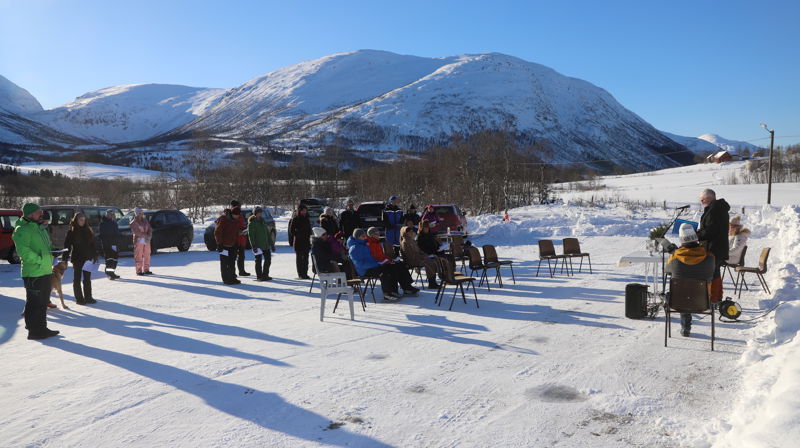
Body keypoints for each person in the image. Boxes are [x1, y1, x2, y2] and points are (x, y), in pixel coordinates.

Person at [12, 203, 60, 340]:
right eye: (39, 212)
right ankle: (34, 331)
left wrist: (54, 249)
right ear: (30, 214)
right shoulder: (22, 230)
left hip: (45, 270)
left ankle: (42, 328)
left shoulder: (40, 227)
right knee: (34, 303)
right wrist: (40, 259)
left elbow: (46, 246)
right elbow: (24, 252)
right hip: (33, 272)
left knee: (43, 302)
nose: (41, 215)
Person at [666, 223, 716, 337]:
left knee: (682, 293)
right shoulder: (710, 258)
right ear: (696, 240)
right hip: (703, 302)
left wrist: (674, 252)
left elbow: (667, 270)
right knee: (690, 291)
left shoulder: (674, 258)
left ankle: (685, 328)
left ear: (681, 242)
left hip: (678, 302)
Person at [347, 228, 403, 301]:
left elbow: (371, 258)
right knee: (383, 272)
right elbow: (360, 264)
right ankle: (387, 294)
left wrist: (379, 262)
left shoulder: (364, 245)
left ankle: (393, 291)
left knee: (390, 268)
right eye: (363, 236)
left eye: (365, 236)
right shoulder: (354, 248)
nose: (365, 238)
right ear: (357, 237)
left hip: (371, 266)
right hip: (364, 271)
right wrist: (376, 264)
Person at [695, 188, 730, 303]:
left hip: (713, 248)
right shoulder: (719, 208)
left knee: (711, 273)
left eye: (702, 200)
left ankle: (713, 299)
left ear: (709, 198)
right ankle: (716, 297)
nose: (701, 202)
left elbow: (711, 231)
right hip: (719, 248)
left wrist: (696, 235)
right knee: (715, 273)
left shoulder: (714, 210)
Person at [366, 226, 419, 296]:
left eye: (379, 233)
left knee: (400, 264)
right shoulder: (370, 244)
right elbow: (376, 257)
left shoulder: (376, 243)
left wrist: (391, 260)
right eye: (376, 234)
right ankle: (393, 290)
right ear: (371, 235)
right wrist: (388, 261)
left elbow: (382, 256)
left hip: (383, 261)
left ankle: (407, 287)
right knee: (393, 268)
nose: (378, 235)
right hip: (378, 264)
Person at [62, 212, 98, 305]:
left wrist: (94, 255)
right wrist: (64, 258)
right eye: (80, 219)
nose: (82, 221)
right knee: (77, 279)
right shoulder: (72, 231)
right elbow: (67, 246)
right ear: (76, 220)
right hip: (77, 259)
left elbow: (93, 244)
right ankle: (79, 298)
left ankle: (88, 297)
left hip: (88, 259)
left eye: (83, 219)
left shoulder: (88, 230)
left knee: (87, 279)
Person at [247, 206, 275, 281]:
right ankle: (259, 276)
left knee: (268, 260)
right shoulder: (252, 223)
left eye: (261, 212)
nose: (260, 214)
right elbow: (251, 236)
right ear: (255, 213)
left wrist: (271, 244)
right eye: (259, 213)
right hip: (258, 246)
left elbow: (267, 234)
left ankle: (265, 275)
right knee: (258, 261)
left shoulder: (263, 221)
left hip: (265, 245)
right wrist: (253, 246)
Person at [214, 208, 240, 285]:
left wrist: (236, 243)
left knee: (232, 262)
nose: (238, 216)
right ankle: (226, 279)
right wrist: (219, 243)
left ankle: (232, 278)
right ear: (232, 214)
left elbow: (235, 233)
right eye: (236, 215)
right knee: (224, 263)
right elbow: (217, 232)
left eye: (238, 215)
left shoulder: (236, 221)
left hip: (232, 245)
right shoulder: (223, 219)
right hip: (224, 246)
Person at [288, 204, 312, 279]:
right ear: (300, 211)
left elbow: (309, 229)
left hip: (306, 241)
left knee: (306, 259)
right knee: (299, 259)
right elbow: (291, 230)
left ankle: (305, 273)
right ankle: (300, 274)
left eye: (305, 210)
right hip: (298, 242)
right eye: (303, 210)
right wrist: (298, 234)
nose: (304, 212)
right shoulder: (295, 219)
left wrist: (310, 235)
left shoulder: (307, 218)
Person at [99, 209, 121, 280]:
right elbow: (103, 235)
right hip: (107, 245)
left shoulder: (114, 222)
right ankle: (109, 274)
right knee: (109, 260)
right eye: (110, 214)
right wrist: (106, 244)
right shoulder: (103, 223)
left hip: (115, 244)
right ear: (107, 214)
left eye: (112, 214)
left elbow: (116, 233)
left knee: (115, 259)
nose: (111, 215)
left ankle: (112, 272)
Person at [130, 207, 153, 276]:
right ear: (137, 214)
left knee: (147, 254)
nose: (142, 214)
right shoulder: (133, 222)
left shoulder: (145, 220)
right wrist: (146, 235)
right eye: (140, 213)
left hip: (146, 240)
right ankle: (139, 270)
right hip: (139, 240)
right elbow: (137, 232)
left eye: (142, 213)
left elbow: (149, 228)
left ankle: (146, 269)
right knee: (138, 255)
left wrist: (149, 235)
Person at [231, 204, 250, 277]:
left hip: (241, 239)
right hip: (235, 240)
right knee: (233, 258)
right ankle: (233, 273)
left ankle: (241, 271)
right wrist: (238, 231)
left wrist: (244, 230)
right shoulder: (232, 217)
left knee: (241, 256)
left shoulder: (241, 216)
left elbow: (243, 226)